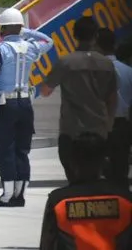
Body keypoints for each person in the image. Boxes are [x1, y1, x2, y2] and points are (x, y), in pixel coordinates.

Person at [0, 7, 53, 207]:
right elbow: (49, 41)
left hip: (7, 105)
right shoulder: (31, 47)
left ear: (4, 29)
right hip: (25, 104)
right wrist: (28, 32)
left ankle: (6, 196)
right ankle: (19, 195)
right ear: (21, 28)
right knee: (22, 150)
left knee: (5, 149)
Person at [41, 16, 118, 183]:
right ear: (95, 36)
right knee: (95, 174)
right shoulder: (106, 64)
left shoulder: (66, 62)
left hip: (72, 128)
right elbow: (112, 98)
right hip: (99, 128)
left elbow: (45, 91)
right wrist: (109, 124)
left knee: (73, 174)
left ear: (74, 35)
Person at [39, 132, 132, 250]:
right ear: (105, 163)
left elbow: (47, 244)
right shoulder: (126, 200)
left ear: (72, 163)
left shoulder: (58, 201)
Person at [96, 28, 132, 188]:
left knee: (99, 170)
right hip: (122, 125)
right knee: (121, 168)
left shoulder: (93, 71)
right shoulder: (128, 71)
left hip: (98, 124)